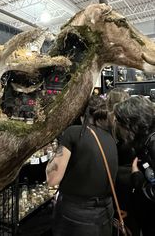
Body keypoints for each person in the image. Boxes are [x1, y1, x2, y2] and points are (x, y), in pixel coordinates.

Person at [46, 95, 118, 236]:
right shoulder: (110, 137)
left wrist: (51, 156)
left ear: (81, 115)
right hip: (106, 213)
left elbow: (52, 179)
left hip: (77, 216)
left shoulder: (74, 132)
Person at [114, 95, 155, 236]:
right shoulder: (145, 141)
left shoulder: (152, 144)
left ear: (131, 124)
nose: (118, 127)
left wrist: (137, 177)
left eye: (120, 122)